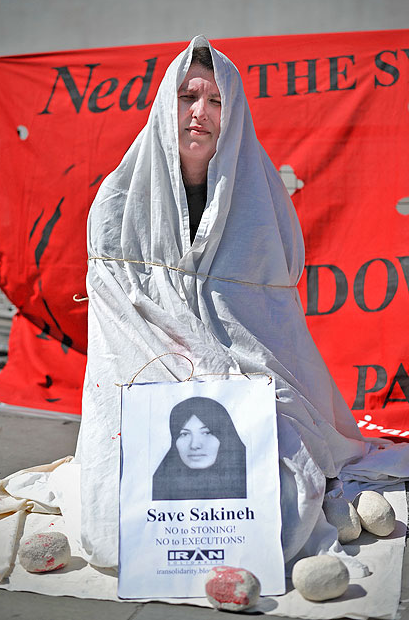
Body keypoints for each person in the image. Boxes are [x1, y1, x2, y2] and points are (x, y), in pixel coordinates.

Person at [78, 35, 409, 571]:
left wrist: (231, 383)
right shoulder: (118, 202)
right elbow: (118, 325)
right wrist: (195, 372)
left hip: (248, 374)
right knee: (116, 523)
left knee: (280, 493)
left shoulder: (261, 198)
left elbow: (265, 323)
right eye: (189, 98)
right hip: (147, 378)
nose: (200, 114)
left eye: (215, 101)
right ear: (169, 104)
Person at [152, 397, 247, 501]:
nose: (194, 445)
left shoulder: (248, 482)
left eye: (207, 433)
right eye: (184, 434)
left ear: (225, 437)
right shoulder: (159, 487)